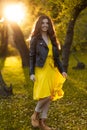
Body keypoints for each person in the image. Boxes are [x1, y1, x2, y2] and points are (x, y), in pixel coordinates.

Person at [29, 14, 67, 130]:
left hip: (52, 70)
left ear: (50, 25)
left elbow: (57, 58)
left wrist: (62, 71)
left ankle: (43, 122)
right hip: (41, 69)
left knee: (49, 96)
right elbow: (31, 56)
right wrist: (31, 73)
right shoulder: (35, 39)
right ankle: (35, 114)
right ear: (39, 24)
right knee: (45, 95)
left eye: (47, 23)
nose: (45, 25)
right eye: (43, 23)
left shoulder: (53, 39)